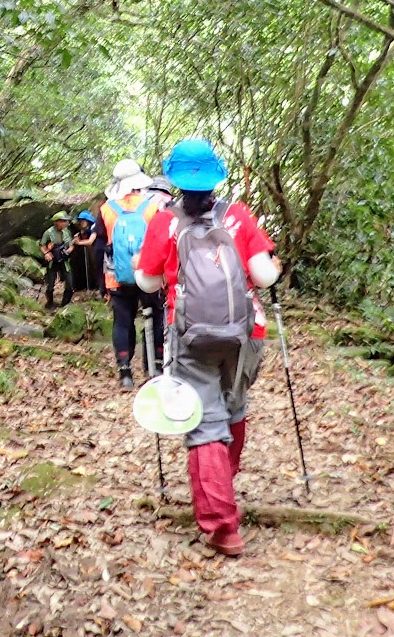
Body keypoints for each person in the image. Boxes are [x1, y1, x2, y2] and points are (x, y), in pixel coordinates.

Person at [134, 138, 280, 557]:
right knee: (234, 407)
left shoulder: (166, 221)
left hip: (189, 335)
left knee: (203, 423)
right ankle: (223, 484)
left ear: (175, 180)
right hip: (246, 333)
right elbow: (264, 276)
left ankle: (222, 526)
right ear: (216, 177)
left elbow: (146, 281)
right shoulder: (237, 215)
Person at [100, 159, 164, 390]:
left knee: (122, 321)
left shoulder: (106, 209)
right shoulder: (152, 206)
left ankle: (125, 372)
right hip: (149, 274)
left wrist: (102, 284)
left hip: (117, 276)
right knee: (156, 318)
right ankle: (155, 366)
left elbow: (100, 247)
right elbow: (161, 242)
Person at [39, 211, 75, 308]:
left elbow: (71, 245)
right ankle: (50, 302)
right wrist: (46, 253)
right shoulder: (48, 233)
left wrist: (68, 251)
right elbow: (42, 245)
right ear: (56, 222)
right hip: (53, 260)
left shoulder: (67, 232)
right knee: (50, 283)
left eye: (65, 221)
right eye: (62, 221)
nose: (65, 223)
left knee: (69, 282)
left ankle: (65, 303)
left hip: (64, 259)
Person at [71, 212, 100, 295]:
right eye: (80, 221)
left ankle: (96, 287)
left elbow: (90, 241)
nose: (81, 223)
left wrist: (79, 242)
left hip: (96, 250)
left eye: (83, 220)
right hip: (87, 253)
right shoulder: (82, 231)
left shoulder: (94, 228)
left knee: (96, 268)